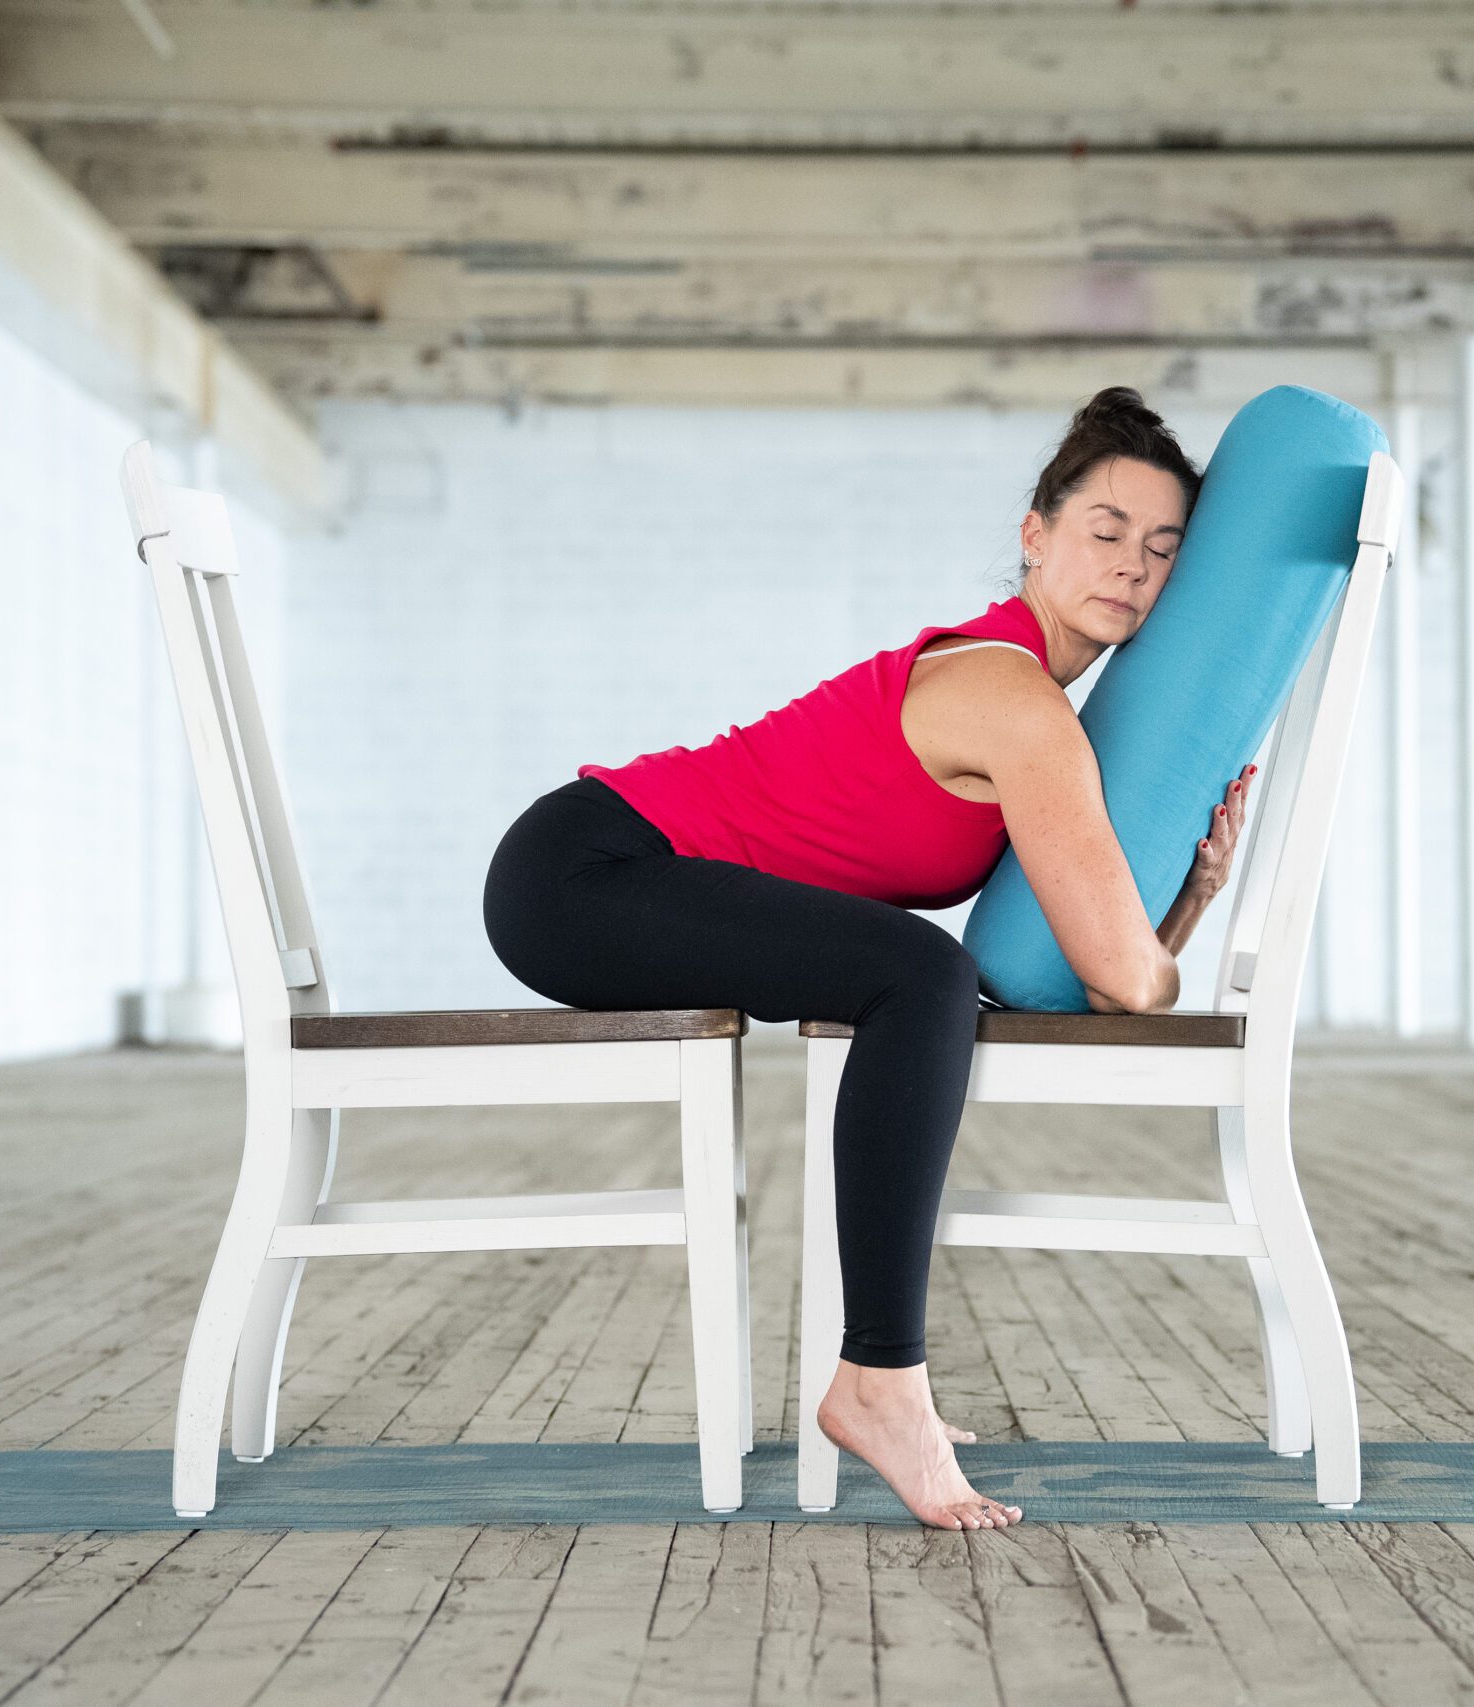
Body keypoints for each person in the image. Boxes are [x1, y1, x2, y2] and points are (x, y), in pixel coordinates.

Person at [482, 386, 1255, 1529]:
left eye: (1161, 549)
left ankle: (879, 1384)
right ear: (1035, 536)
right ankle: (879, 1381)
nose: (1132, 567)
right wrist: (1162, 946)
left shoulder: (1029, 699)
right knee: (920, 973)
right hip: (582, 874)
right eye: (1103, 530)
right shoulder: (1012, 699)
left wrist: (1186, 897)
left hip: (604, 871)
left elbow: (1101, 977)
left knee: (919, 973)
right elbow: (1127, 982)